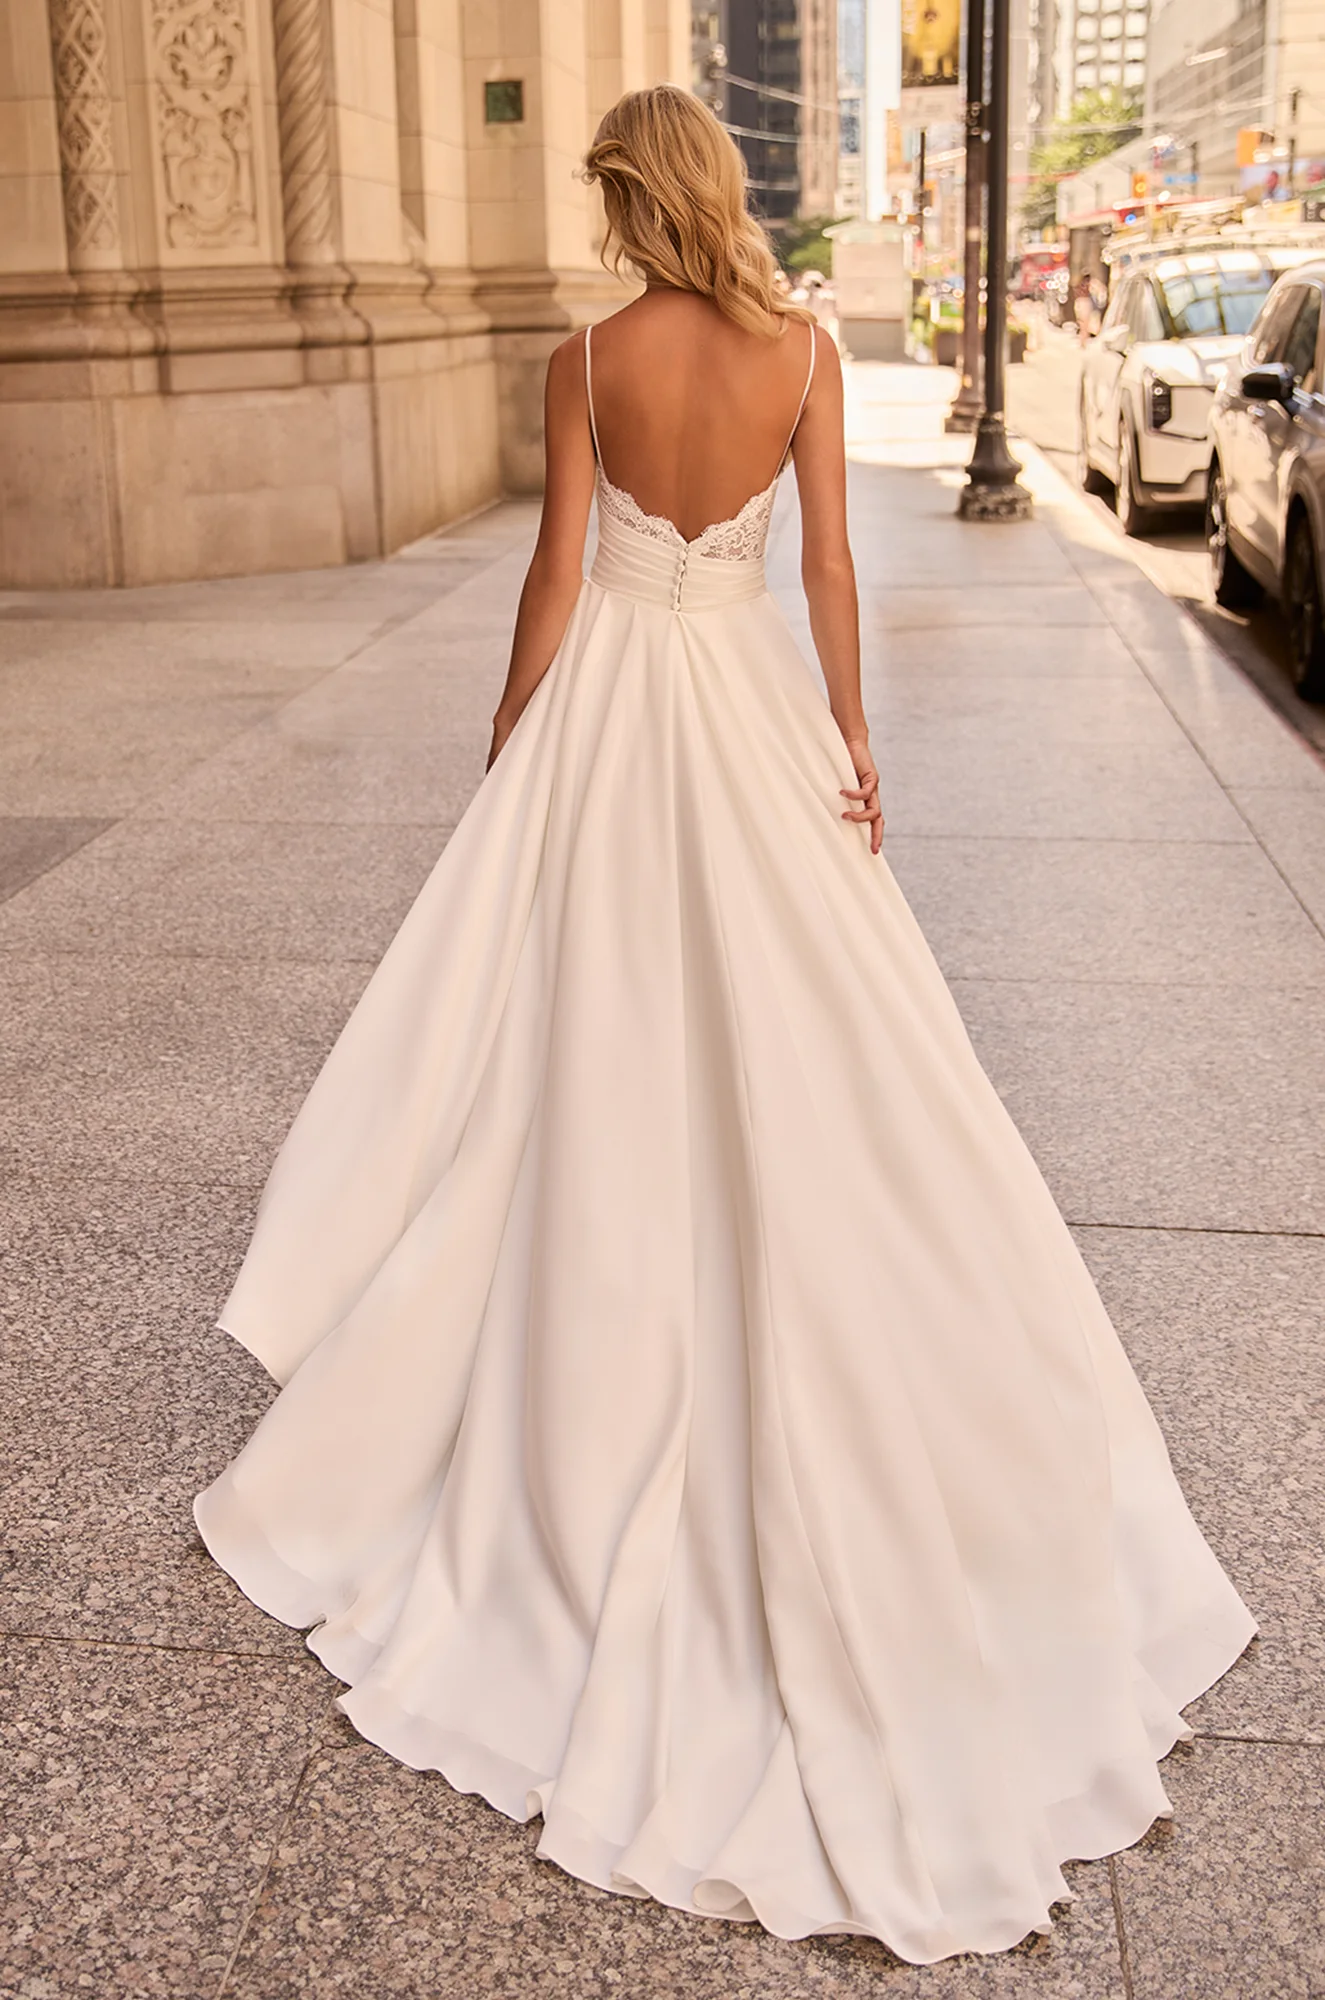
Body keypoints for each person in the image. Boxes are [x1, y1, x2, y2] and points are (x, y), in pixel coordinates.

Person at [195, 85, 1254, 1967]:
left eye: (608, 186)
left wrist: (512, 740)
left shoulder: (587, 357)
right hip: (745, 715)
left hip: (613, 716)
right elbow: (829, 570)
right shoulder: (806, 351)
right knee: (824, 1053)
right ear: (727, 187)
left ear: (631, 194)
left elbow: (548, 584)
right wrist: (850, 736)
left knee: (579, 1057)